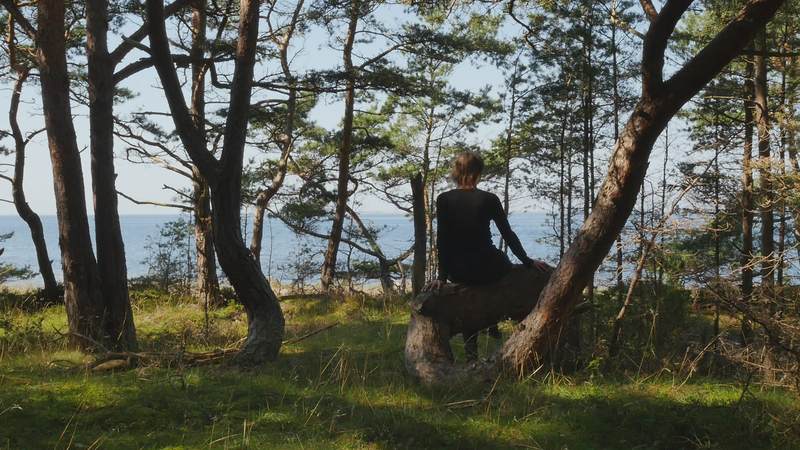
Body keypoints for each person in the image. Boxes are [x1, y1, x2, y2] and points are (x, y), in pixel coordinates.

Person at [422, 151, 549, 363]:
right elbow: (507, 233)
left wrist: (441, 276)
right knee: (504, 263)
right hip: (487, 264)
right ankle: (491, 321)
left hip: (459, 269)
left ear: (456, 171)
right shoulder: (489, 199)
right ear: (478, 172)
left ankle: (472, 354)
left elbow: (443, 239)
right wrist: (527, 261)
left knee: (469, 294)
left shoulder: (444, 199)